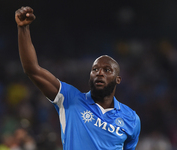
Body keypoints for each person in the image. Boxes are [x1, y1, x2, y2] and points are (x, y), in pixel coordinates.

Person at [15, 6, 141, 150]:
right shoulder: (70, 98)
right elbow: (32, 70)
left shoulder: (131, 119)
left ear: (118, 79)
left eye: (107, 70)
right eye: (95, 70)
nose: (99, 73)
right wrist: (23, 29)